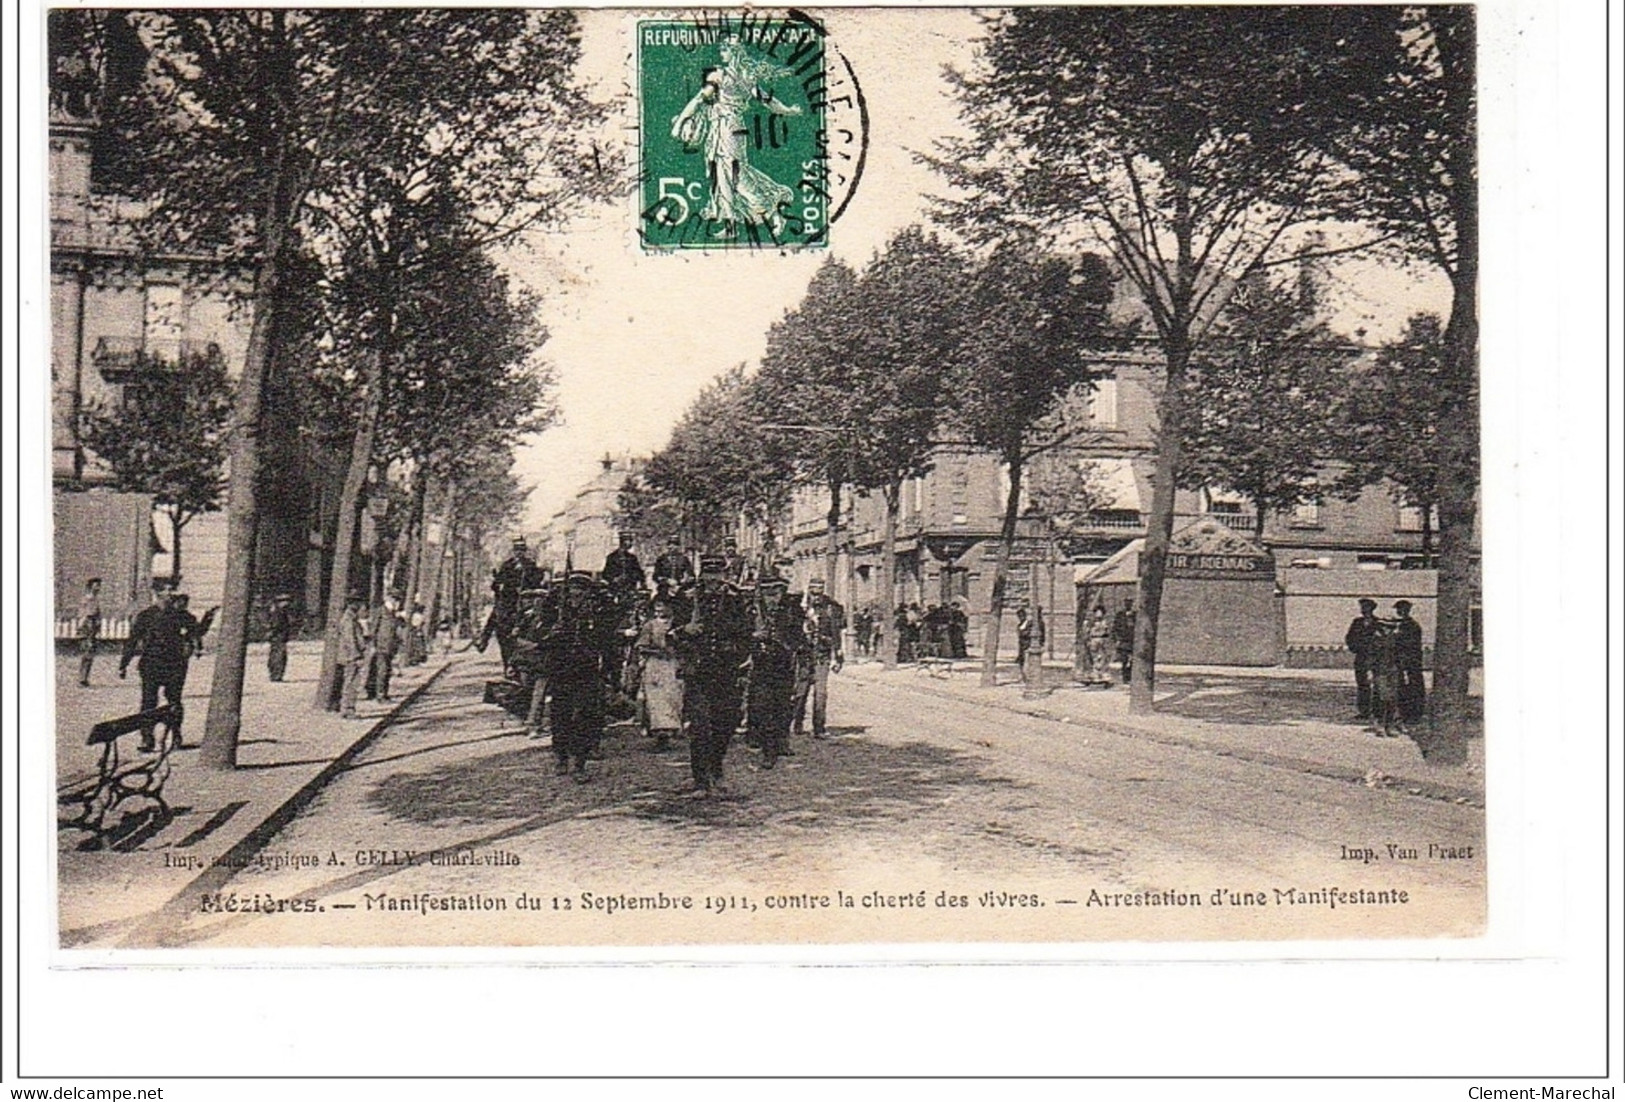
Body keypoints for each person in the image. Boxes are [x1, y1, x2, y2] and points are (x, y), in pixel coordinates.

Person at [669, 36, 802, 239]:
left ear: (734, 52)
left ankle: (772, 210)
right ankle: (730, 225)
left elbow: (698, 99)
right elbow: (769, 101)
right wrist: (789, 110)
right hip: (728, 128)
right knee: (720, 176)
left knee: (736, 177)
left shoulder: (720, 76)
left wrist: (679, 123)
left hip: (727, 128)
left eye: (725, 50)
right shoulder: (746, 76)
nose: (721, 53)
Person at [675, 555, 751, 796]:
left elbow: (746, 631)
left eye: (717, 574)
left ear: (723, 575)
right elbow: (670, 630)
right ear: (702, 575)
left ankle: (716, 769)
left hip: (727, 669)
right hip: (698, 670)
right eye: (708, 574)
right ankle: (700, 780)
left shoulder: (735, 598)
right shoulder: (687, 597)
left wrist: (741, 657)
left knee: (725, 723)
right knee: (699, 726)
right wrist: (684, 630)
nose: (713, 579)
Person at [540, 573, 609, 778]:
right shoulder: (555, 610)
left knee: (586, 715)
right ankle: (561, 756)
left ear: (587, 592)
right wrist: (552, 632)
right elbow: (540, 636)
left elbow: (606, 638)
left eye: (581, 590)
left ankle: (579, 763)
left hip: (586, 669)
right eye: (573, 589)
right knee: (560, 714)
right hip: (560, 669)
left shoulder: (596, 612)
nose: (576, 593)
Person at [119, 588, 203, 750]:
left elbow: (197, 632)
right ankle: (147, 738)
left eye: (172, 592)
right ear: (157, 595)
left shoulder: (181, 615)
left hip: (175, 664)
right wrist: (124, 664)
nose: (170, 595)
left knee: (174, 700)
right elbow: (132, 640)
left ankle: (176, 735)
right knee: (149, 701)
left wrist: (206, 620)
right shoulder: (146, 616)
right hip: (151, 663)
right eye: (166, 592)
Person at [749, 578, 802, 768]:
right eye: (767, 594)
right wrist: (754, 636)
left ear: (782, 593)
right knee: (764, 708)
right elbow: (739, 633)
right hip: (759, 665)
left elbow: (798, 636)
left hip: (783, 664)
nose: (772, 599)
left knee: (783, 706)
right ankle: (768, 751)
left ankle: (782, 741)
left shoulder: (791, 610)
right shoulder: (752, 610)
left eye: (776, 594)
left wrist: (786, 644)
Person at [478, 536, 545, 666]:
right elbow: (497, 583)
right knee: (495, 615)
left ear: (525, 551)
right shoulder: (507, 565)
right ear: (513, 552)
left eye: (521, 550)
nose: (519, 553)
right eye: (516, 550)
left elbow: (537, 581)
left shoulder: (530, 565)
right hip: (509, 598)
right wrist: (500, 585)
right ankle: (483, 640)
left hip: (526, 598)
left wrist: (528, 585)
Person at [794, 577, 845, 741]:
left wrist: (838, 654)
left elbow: (837, 632)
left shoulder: (831, 607)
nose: (816, 596)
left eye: (819, 592)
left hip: (822, 654)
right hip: (803, 655)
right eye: (813, 592)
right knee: (801, 692)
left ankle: (819, 728)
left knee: (820, 693)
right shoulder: (799, 606)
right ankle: (798, 722)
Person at [634, 598, 683, 752]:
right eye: (657, 608)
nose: (660, 611)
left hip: (674, 666)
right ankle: (661, 736)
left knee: (674, 699)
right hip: (656, 665)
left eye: (664, 607)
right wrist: (659, 651)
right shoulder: (650, 625)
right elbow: (641, 647)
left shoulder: (679, 625)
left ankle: (673, 731)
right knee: (657, 701)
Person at [1344, 598, 1381, 719]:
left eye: (1366, 607)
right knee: (1362, 684)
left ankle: (1377, 711)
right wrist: (1356, 648)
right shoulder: (1357, 622)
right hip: (1361, 657)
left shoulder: (1378, 623)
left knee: (1376, 684)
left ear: (1372, 608)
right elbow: (1349, 638)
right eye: (1362, 607)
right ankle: (1364, 711)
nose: (1363, 610)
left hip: (1375, 658)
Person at [335, 594, 369, 719]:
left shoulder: (351, 618)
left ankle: (347, 708)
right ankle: (348, 709)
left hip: (350, 655)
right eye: (358, 603)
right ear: (352, 604)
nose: (361, 606)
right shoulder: (348, 620)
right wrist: (356, 656)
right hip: (350, 657)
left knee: (351, 682)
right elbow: (350, 640)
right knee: (352, 683)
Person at [1393, 600, 1426, 725]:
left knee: (1414, 686)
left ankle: (1414, 713)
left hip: (1411, 661)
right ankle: (1405, 713)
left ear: (1406, 611)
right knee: (1403, 687)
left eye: (1401, 610)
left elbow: (1410, 644)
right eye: (1398, 610)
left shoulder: (1412, 626)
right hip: (1404, 661)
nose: (1399, 612)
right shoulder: (1403, 625)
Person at [368, 597, 401, 703]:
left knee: (387, 671)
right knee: (381, 671)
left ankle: (384, 694)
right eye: (396, 601)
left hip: (389, 647)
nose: (398, 604)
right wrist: (373, 645)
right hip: (381, 646)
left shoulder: (393, 613)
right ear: (391, 601)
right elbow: (373, 630)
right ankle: (380, 695)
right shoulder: (381, 611)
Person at [75, 577, 102, 686]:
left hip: (92, 629)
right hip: (88, 628)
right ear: (91, 586)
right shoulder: (89, 599)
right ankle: (82, 678)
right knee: (87, 653)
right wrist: (83, 629)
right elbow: (86, 615)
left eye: (99, 585)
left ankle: (84, 678)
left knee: (90, 654)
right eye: (96, 585)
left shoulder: (94, 599)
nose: (98, 588)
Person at [266, 593, 295, 682]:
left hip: (279, 636)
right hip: (278, 636)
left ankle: (275, 674)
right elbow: (276, 625)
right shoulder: (278, 612)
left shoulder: (278, 611)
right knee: (279, 655)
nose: (287, 604)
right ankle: (276, 675)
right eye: (285, 601)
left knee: (276, 654)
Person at [1085, 604, 1114, 686]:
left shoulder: (1106, 622)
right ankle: (1095, 675)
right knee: (1095, 658)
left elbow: (1109, 632)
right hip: (1094, 639)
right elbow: (1087, 632)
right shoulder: (1091, 622)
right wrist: (1088, 640)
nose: (1098, 614)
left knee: (1103, 658)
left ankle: (1104, 675)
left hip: (1103, 639)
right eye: (1097, 612)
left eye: (1100, 612)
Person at [1112, 599, 1136, 686]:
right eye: (1126, 603)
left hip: (1132, 641)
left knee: (1132, 660)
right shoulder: (1120, 615)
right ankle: (1125, 678)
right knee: (1124, 660)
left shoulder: (1135, 615)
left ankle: (1131, 677)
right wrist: (1117, 640)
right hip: (1123, 641)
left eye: (1130, 603)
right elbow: (1115, 628)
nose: (1128, 605)